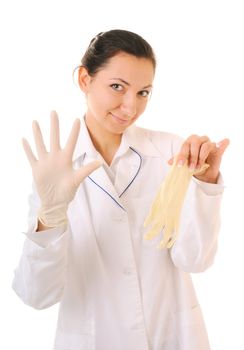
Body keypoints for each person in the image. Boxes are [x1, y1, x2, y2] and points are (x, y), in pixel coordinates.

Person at [12, 29, 229, 350]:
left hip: (170, 336)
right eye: (117, 87)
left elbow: (195, 260)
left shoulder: (170, 151)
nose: (130, 107)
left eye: (143, 92)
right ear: (85, 80)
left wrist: (205, 184)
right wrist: (50, 217)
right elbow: (36, 295)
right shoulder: (57, 171)